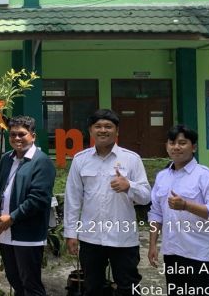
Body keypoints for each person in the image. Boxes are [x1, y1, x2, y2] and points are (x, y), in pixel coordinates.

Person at [63, 109, 151, 296]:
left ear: (117, 131)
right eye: (98, 126)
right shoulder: (80, 160)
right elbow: (73, 199)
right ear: (90, 131)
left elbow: (146, 196)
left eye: (108, 126)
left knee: (128, 287)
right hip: (91, 237)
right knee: (92, 287)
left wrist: (129, 186)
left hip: (123, 238)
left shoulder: (131, 159)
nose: (103, 130)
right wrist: (70, 233)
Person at [147, 125, 209, 296]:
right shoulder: (162, 177)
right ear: (166, 146)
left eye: (182, 143)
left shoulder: (206, 176)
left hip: (200, 254)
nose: (176, 147)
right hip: (171, 252)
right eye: (172, 143)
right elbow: (156, 213)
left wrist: (186, 205)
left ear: (194, 147)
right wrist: (153, 244)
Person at [0, 115, 56, 296]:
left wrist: (13, 217)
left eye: (22, 134)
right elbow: (1, 188)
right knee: (15, 280)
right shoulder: (7, 158)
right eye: (13, 134)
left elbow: (39, 199)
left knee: (31, 285)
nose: (16, 138)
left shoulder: (42, 162)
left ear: (33, 136)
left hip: (28, 234)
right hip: (6, 232)